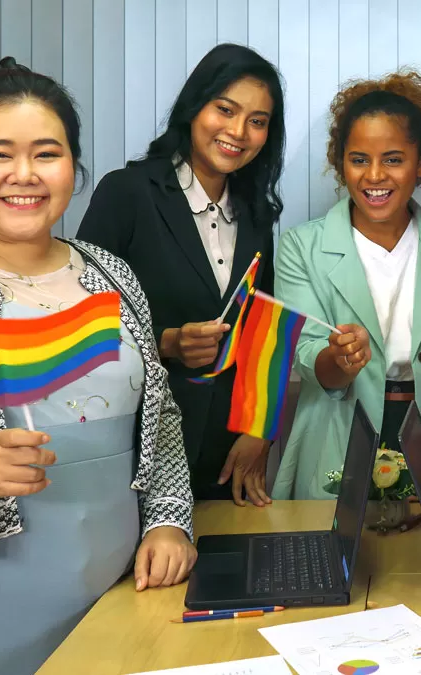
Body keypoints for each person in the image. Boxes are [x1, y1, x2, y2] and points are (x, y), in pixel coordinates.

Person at [0, 58, 195, 675]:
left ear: (74, 167)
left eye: (47, 153)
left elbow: (161, 419)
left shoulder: (111, 275)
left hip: (116, 598)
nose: (24, 174)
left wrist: (169, 525)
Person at [77, 44, 284, 505]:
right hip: (138, 448)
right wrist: (167, 343)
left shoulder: (255, 215)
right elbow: (81, 326)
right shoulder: (127, 193)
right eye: (224, 110)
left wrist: (260, 432)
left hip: (227, 453)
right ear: (194, 108)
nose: (238, 131)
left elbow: (261, 331)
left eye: (258, 121)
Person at [271, 71, 421, 499]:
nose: (375, 176)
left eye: (394, 159)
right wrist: (338, 359)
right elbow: (307, 358)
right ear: (340, 161)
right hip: (335, 439)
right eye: (359, 159)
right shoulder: (300, 247)